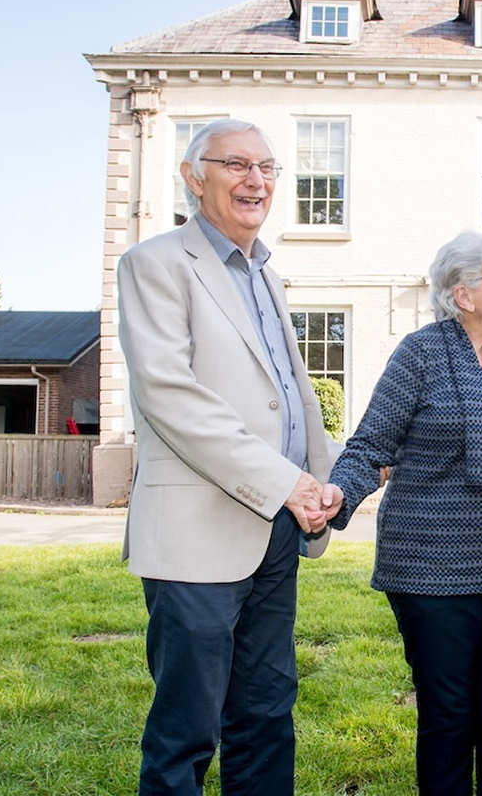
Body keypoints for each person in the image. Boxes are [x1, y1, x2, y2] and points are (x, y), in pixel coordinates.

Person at [117, 118, 344, 795]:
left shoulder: (267, 274)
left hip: (277, 532)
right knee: (187, 729)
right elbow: (170, 395)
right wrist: (286, 482)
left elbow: (289, 395)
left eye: (269, 167)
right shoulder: (153, 264)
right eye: (237, 164)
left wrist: (329, 480)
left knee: (267, 713)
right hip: (196, 536)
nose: (258, 180)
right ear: (194, 176)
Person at [321, 232, 482, 795]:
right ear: (463, 294)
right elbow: (371, 445)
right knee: (450, 718)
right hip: (431, 571)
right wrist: (341, 492)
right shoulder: (421, 353)